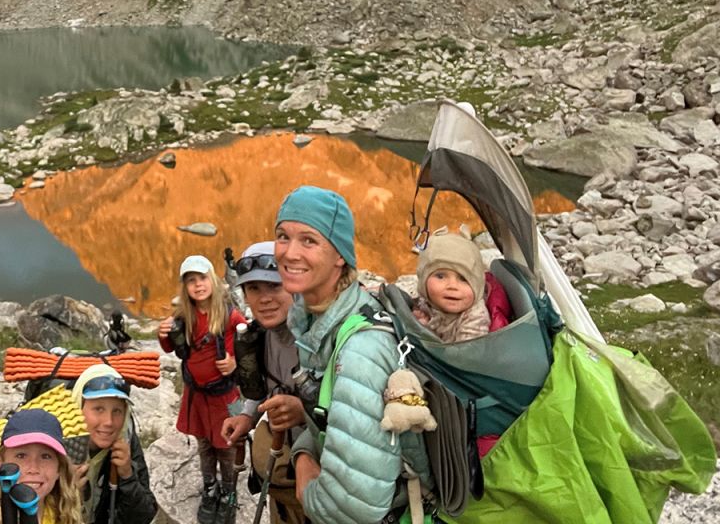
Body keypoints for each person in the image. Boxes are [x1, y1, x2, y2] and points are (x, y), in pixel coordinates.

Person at [275, 186, 431, 524]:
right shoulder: (320, 318)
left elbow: (354, 509)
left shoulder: (360, 350)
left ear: (340, 255)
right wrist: (304, 452)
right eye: (282, 236)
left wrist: (308, 493)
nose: (289, 253)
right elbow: (331, 416)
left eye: (309, 240)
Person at [219, 242, 306, 524]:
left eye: (274, 287)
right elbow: (262, 387)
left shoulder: (316, 339)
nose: (264, 299)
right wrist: (247, 416)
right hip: (284, 468)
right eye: (254, 289)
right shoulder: (260, 337)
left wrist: (303, 410)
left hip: (321, 468)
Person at [157, 255, 246, 524]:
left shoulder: (229, 315)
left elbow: (248, 342)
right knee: (205, 444)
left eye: (202, 278)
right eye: (191, 281)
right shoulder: (184, 317)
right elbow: (172, 348)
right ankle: (210, 488)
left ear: (213, 279)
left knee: (226, 445)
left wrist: (234, 362)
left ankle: (229, 492)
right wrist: (163, 335)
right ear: (185, 288)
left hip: (224, 394)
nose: (198, 285)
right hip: (196, 395)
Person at [411, 228, 513, 456]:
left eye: (463, 279)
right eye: (440, 276)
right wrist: (420, 320)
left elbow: (465, 359)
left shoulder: (474, 317)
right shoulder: (429, 304)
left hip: (464, 388)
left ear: (476, 286)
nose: (452, 286)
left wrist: (426, 335)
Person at [70, 364, 158, 524]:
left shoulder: (125, 441)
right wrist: (66, 492)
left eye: (117, 411)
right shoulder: (55, 447)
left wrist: (128, 476)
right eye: (98, 409)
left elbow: (144, 516)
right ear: (78, 408)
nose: (109, 422)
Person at [0, 410, 83, 524]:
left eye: (45, 456)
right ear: (0, 464)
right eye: (21, 456)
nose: (33, 468)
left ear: (59, 469)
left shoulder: (68, 518)